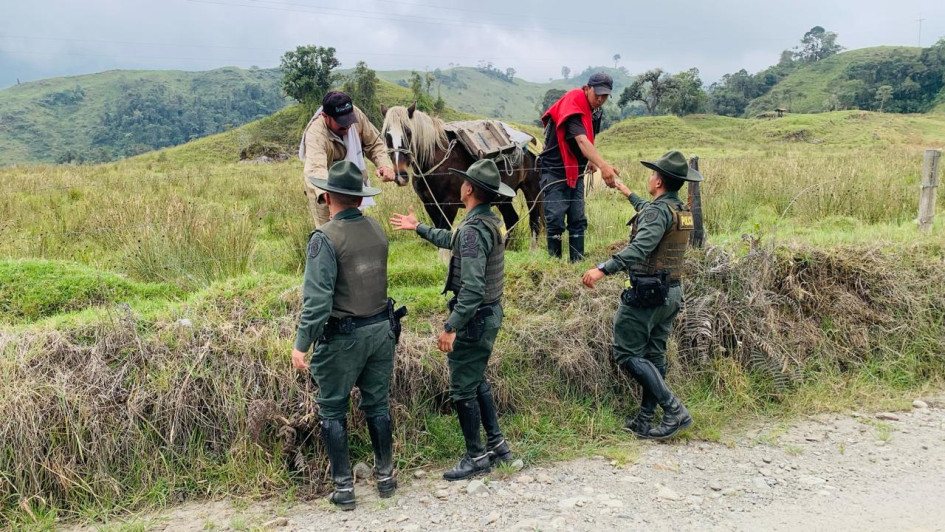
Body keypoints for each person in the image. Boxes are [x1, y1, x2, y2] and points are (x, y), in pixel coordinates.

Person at [389, 159, 515, 481]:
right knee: (477, 381)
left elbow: (471, 290)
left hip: (473, 320)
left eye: (463, 181)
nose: (460, 185)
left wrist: (451, 327)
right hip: (489, 315)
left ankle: (476, 457)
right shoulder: (488, 221)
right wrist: (417, 227)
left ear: (469, 189)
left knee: (462, 389)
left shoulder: (473, 231)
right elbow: (453, 239)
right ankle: (498, 446)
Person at [290, 161, 400, 510]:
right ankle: (385, 477)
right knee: (377, 404)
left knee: (332, 408)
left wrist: (301, 345)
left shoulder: (324, 238)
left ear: (327, 196)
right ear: (359, 198)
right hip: (382, 330)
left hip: (343, 337)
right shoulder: (378, 229)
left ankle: (343, 488)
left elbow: (318, 301)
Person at [581, 150, 702, 440]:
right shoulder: (679, 211)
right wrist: (625, 191)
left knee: (626, 352)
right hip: (671, 292)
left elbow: (639, 247)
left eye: (652, 175)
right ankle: (646, 418)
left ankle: (674, 410)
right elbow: (649, 211)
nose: (650, 178)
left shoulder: (658, 212)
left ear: (659, 181)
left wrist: (602, 269)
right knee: (654, 354)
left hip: (647, 293)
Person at [539, 72, 621, 262]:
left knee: (578, 219)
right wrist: (603, 165)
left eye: (605, 96)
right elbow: (581, 140)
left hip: (576, 172)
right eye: (597, 94)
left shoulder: (595, 111)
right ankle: (555, 265)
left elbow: (589, 137)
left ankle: (577, 264)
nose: (600, 100)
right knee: (555, 220)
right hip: (555, 170)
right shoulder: (573, 102)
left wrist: (591, 159)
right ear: (587, 88)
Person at [299, 91, 396, 226]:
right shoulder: (316, 134)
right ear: (325, 116)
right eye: (341, 123)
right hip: (325, 192)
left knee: (354, 229)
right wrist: (331, 200)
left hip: (351, 188)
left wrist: (384, 165)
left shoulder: (355, 114)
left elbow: (374, 143)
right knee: (329, 234)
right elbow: (316, 171)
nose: (347, 126)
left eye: (349, 121)